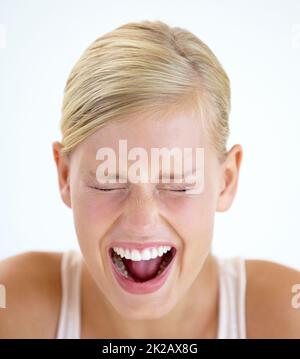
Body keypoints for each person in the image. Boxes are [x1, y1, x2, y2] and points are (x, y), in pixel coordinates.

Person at [0, 20, 300, 339]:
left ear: (226, 181)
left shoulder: (287, 318)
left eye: (177, 184)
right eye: (109, 182)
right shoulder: (12, 310)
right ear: (64, 177)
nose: (141, 222)